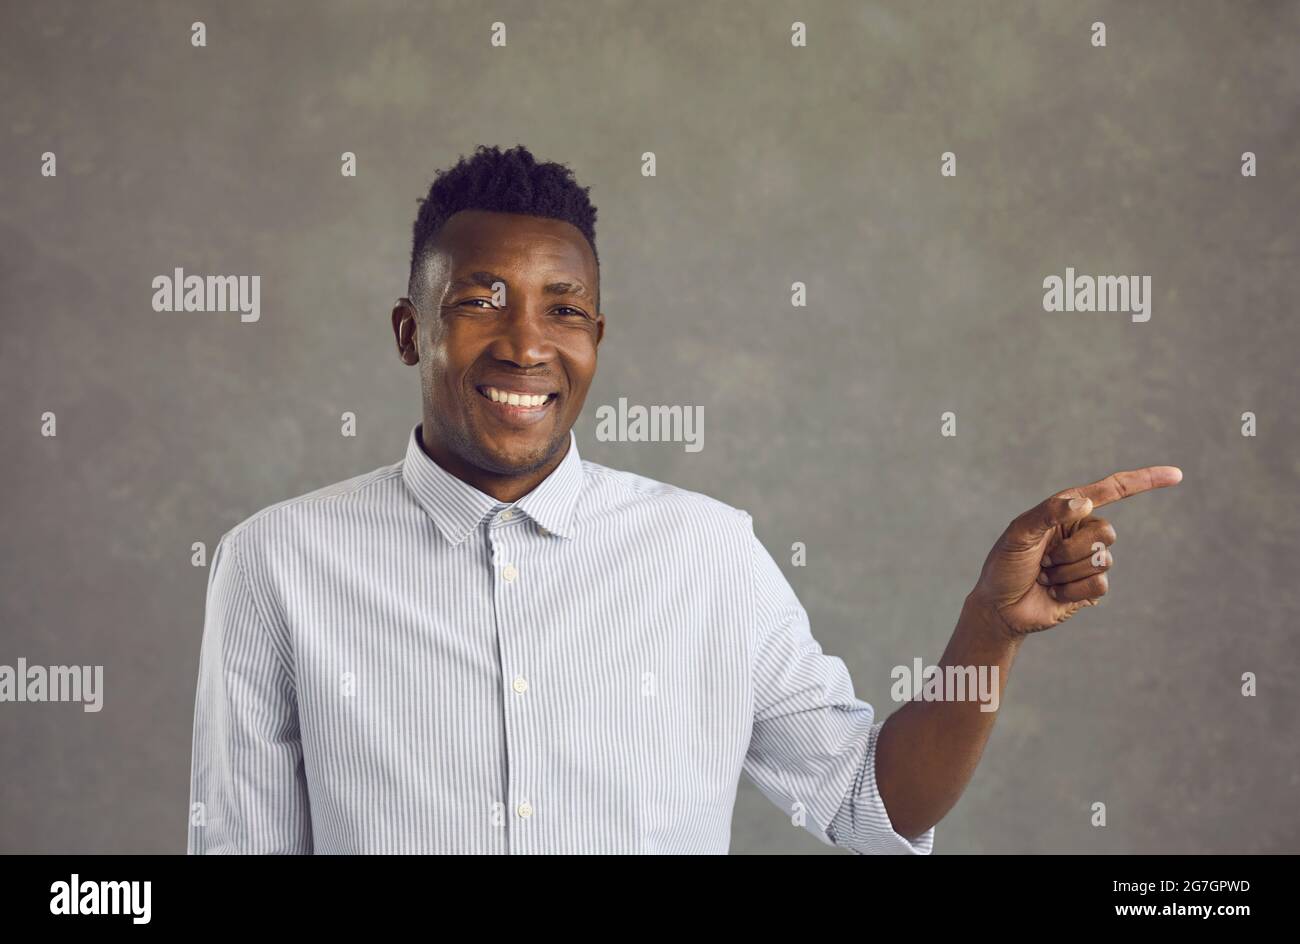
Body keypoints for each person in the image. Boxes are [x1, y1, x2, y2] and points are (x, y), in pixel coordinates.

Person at [187, 144, 1181, 854]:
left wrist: (987, 628)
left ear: (597, 336)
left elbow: (868, 803)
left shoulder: (706, 554)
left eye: (562, 308)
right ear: (411, 331)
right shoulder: (275, 562)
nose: (527, 343)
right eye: (479, 299)